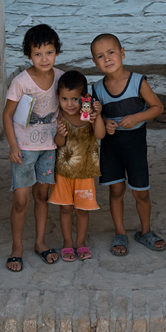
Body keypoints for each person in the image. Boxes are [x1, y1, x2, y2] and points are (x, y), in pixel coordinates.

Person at [90, 33, 166, 256]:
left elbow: (157, 107)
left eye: (111, 52)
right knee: (116, 190)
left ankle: (146, 232)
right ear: (95, 62)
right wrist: (104, 122)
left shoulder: (137, 82)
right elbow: (94, 121)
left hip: (135, 147)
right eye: (100, 56)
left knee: (141, 192)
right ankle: (120, 233)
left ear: (122, 53)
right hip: (112, 149)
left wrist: (136, 117)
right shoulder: (97, 89)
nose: (107, 59)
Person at [2, 23, 63, 272]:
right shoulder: (21, 82)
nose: (44, 58)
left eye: (49, 52)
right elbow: (7, 116)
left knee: (42, 196)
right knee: (20, 200)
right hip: (24, 150)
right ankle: (17, 247)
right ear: (29, 55)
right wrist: (13, 146)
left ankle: (39, 242)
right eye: (37, 54)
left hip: (49, 148)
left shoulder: (60, 78)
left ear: (56, 51)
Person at [49, 71, 105, 261]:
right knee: (65, 209)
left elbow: (100, 135)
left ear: (84, 98)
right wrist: (60, 135)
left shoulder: (87, 115)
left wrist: (97, 117)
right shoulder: (59, 116)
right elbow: (59, 144)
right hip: (63, 173)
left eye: (75, 99)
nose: (69, 104)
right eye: (64, 99)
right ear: (58, 97)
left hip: (85, 173)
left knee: (82, 210)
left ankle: (80, 243)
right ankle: (67, 242)